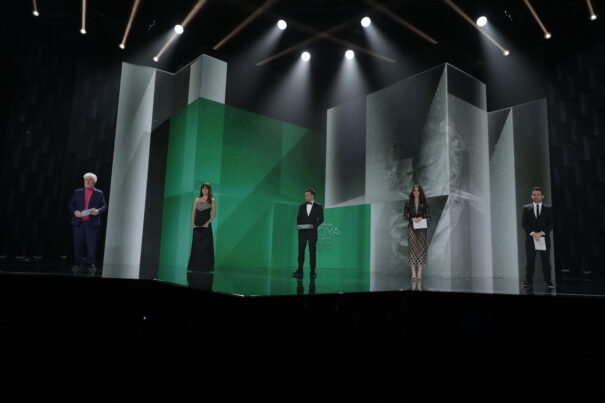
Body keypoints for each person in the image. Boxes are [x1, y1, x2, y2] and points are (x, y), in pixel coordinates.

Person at [68, 172, 107, 275]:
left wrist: (98, 210)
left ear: (94, 182)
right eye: (86, 180)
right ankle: (77, 263)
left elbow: (104, 206)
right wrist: (74, 211)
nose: (88, 181)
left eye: (90, 180)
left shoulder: (99, 193)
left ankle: (91, 263)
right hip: (78, 223)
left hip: (91, 223)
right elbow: (71, 204)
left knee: (91, 244)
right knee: (78, 244)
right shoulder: (77, 192)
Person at [521, 186, 554, 289]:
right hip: (530, 239)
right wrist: (533, 233)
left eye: (538, 195)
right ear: (531, 196)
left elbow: (551, 224)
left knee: (546, 261)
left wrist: (541, 233)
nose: (536, 196)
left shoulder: (548, 208)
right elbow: (524, 223)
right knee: (530, 261)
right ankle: (528, 281)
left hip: (544, 238)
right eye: (534, 195)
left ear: (542, 196)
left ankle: (548, 281)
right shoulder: (526, 208)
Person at [293, 188, 324, 278]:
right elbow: (298, 218)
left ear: (312, 196)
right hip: (302, 232)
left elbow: (321, 219)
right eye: (305, 195)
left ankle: (313, 271)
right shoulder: (301, 206)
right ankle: (299, 270)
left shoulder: (319, 206)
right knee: (301, 251)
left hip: (312, 232)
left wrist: (313, 225)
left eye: (307, 195)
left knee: (312, 252)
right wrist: (298, 226)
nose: (305, 197)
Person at [187, 182, 216, 272]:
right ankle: (195, 267)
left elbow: (214, 214)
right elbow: (193, 212)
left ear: (209, 190)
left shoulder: (212, 200)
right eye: (203, 188)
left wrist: (207, 223)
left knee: (206, 248)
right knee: (196, 247)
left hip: (206, 226)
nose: (204, 190)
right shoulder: (197, 199)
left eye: (206, 188)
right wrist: (193, 224)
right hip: (197, 226)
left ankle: (205, 268)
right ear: (201, 189)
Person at [403, 184, 430, 281]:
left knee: (421, 249)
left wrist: (421, 217)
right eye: (414, 190)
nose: (416, 192)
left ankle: (419, 273)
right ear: (412, 192)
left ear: (420, 192)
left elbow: (428, 215)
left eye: (418, 190)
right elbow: (405, 215)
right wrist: (412, 217)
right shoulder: (408, 203)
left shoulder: (424, 203)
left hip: (422, 228)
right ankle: (413, 272)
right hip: (412, 227)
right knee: (412, 249)